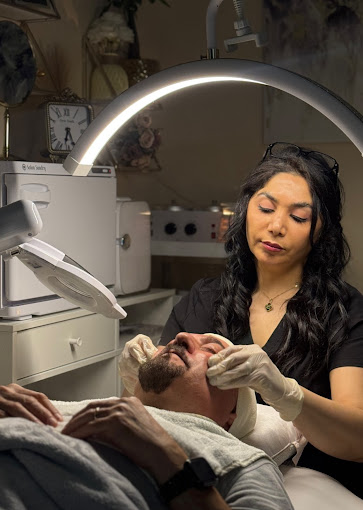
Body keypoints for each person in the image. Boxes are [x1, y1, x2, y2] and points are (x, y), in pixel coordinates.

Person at [158, 142, 363, 498]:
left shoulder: (344, 311)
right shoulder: (204, 300)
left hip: (318, 490)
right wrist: (139, 377)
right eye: (266, 208)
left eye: (299, 217)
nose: (276, 226)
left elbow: (357, 440)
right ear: (245, 209)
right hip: (211, 484)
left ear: (320, 230)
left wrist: (284, 392)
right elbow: (160, 409)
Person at [0, 332, 293, 510]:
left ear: (231, 416)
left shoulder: (238, 458)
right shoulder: (68, 405)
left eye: (211, 350)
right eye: (181, 336)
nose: (181, 338)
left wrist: (166, 457)